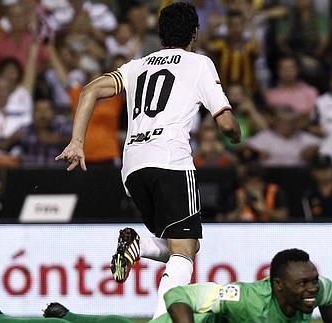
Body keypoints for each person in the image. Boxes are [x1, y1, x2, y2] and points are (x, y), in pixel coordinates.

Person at [56, 2, 240, 318]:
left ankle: (138, 245)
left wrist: (77, 141)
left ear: (160, 33)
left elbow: (89, 90)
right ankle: (162, 319)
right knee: (184, 251)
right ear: (195, 34)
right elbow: (224, 123)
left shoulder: (136, 65)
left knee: (181, 245)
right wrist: (236, 136)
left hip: (133, 168)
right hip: (170, 162)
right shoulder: (199, 63)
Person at [0, 248, 332, 323]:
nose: (312, 288)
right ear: (277, 285)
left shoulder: (317, 288)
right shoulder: (245, 299)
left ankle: (68, 313)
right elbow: (178, 294)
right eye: (303, 283)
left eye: (312, 280)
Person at [247, 105, 320, 167]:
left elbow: (320, 147)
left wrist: (314, 153)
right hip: (270, 177)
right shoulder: (263, 137)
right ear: (276, 121)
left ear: (296, 123)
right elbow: (245, 149)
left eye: (290, 123)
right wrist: (256, 153)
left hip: (298, 177)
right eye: (282, 122)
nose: (286, 126)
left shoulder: (308, 140)